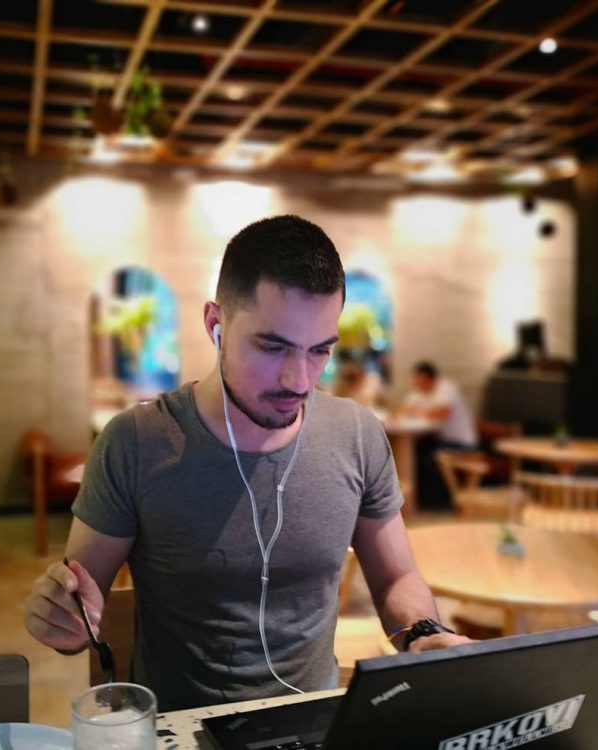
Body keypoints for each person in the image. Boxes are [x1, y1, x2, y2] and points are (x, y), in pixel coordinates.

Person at [24, 216, 469, 712]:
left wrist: (422, 632)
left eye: (319, 351)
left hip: (311, 722)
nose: (299, 380)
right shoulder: (136, 443)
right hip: (180, 729)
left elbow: (396, 578)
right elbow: (78, 610)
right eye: (273, 347)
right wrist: (62, 616)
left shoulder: (357, 435)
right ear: (215, 325)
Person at [400, 361, 477, 508]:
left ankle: (439, 502)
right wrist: (416, 411)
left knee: (429, 458)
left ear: (429, 378)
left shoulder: (447, 387)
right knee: (414, 452)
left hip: (460, 442)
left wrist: (416, 412)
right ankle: (419, 500)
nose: (417, 384)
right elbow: (405, 410)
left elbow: (441, 413)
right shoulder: (419, 392)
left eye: (419, 380)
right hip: (439, 439)